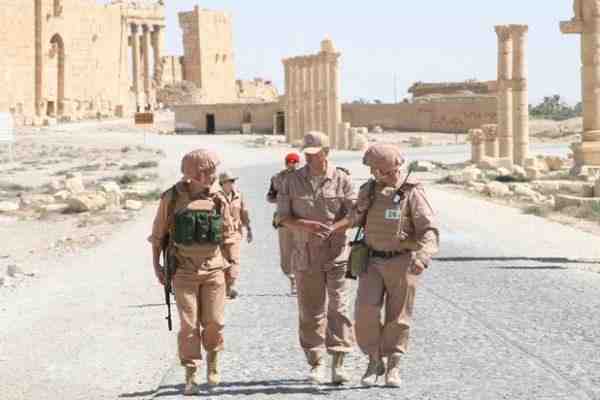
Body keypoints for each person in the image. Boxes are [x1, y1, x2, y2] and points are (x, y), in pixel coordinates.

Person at [331, 144, 439, 387]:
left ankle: (393, 366)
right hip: (371, 261)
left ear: (387, 168)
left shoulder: (412, 191)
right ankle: (373, 360)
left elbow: (429, 229)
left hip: (402, 261)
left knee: (398, 316)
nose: (372, 172)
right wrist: (335, 226)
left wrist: (423, 257)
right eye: (373, 169)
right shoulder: (369, 190)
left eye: (374, 168)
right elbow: (355, 218)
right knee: (365, 312)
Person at [277, 131, 355, 385]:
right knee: (310, 310)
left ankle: (339, 362)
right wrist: (306, 225)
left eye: (315, 154)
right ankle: (316, 362)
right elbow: (282, 217)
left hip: (336, 254)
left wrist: (335, 227)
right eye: (307, 154)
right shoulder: (291, 181)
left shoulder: (342, 179)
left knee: (339, 307)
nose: (309, 158)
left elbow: (355, 215)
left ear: (326, 152)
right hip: (306, 254)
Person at [148, 149, 228, 395]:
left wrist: (231, 267)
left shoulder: (218, 198)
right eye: (210, 171)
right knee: (189, 325)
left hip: (214, 270)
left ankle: (213, 361)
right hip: (183, 271)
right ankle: (191, 374)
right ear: (196, 173)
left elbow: (228, 235)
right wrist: (157, 266)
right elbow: (158, 235)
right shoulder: (171, 198)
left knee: (214, 322)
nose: (214, 175)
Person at [266, 152, 301, 295]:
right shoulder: (277, 178)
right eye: (290, 162)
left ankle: (302, 281)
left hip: (302, 219)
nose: (292, 165)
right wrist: (282, 199)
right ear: (286, 163)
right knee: (286, 252)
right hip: (284, 220)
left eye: (295, 162)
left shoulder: (305, 177)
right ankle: (293, 279)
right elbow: (270, 196)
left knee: (303, 250)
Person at [218, 171, 253, 299]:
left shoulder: (238, 195)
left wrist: (248, 229)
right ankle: (223, 288)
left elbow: (244, 212)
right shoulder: (216, 197)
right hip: (220, 236)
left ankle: (229, 287)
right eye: (230, 181)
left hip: (235, 234)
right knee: (222, 263)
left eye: (233, 181)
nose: (233, 183)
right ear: (222, 183)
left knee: (234, 261)